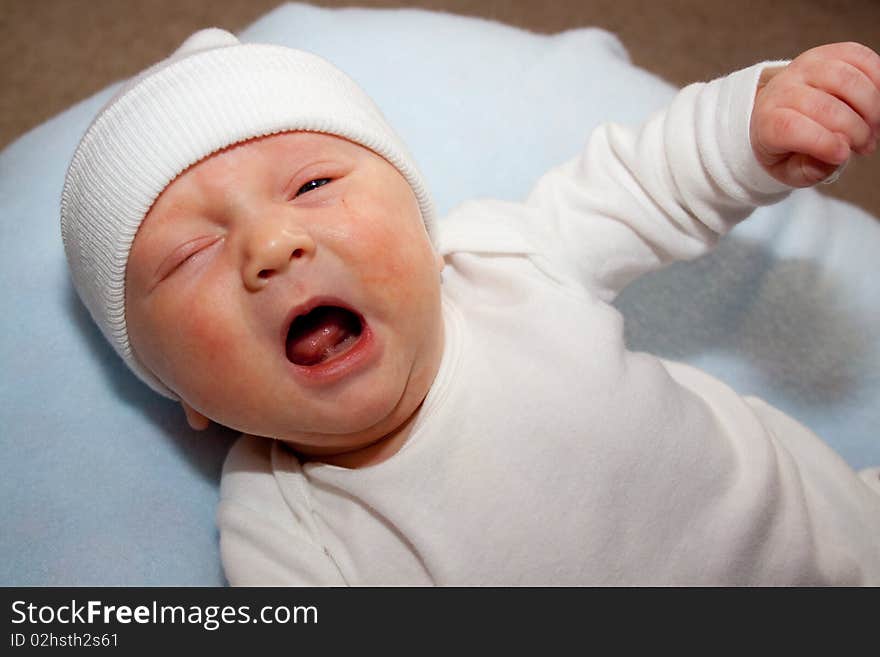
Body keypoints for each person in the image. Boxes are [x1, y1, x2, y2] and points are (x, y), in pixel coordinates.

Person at [61, 28, 880, 585]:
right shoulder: (282, 530)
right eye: (189, 255)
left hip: (843, 534)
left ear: (421, 226)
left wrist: (752, 122)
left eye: (314, 185)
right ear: (183, 398)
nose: (272, 245)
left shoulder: (499, 261)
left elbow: (643, 181)